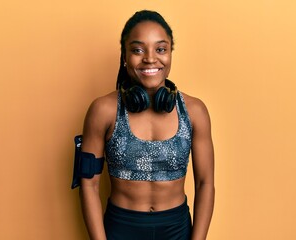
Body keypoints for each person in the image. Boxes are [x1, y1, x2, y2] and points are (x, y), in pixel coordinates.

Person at [77, 10, 215, 240]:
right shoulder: (103, 110)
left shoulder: (195, 111)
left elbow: (205, 183)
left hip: (176, 229)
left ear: (170, 53)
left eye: (161, 49)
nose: (150, 58)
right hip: (121, 227)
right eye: (138, 50)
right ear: (124, 56)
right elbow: (88, 185)